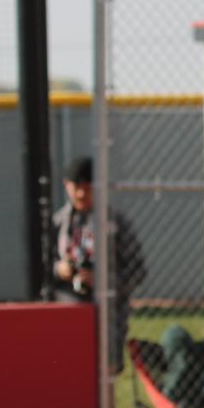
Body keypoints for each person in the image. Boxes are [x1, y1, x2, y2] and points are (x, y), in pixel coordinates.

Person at [46, 156, 145, 371]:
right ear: (66, 185)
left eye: (87, 187)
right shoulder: (58, 222)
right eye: (76, 187)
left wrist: (102, 280)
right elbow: (43, 268)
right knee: (68, 368)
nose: (82, 194)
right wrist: (60, 269)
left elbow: (137, 270)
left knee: (105, 369)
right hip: (68, 310)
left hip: (107, 311)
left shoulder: (114, 222)